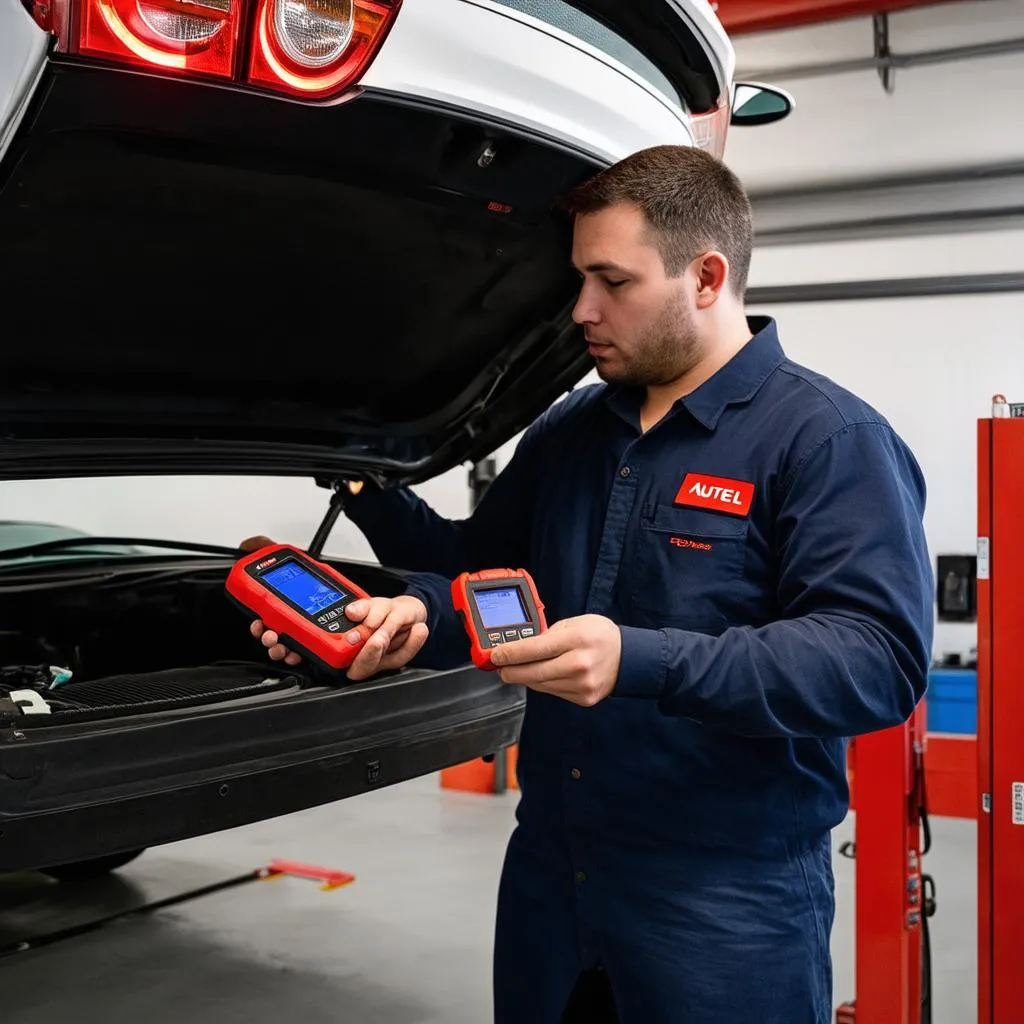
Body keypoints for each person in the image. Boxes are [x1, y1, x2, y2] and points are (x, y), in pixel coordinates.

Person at [246, 144, 934, 1023]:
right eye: (579, 279)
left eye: (611, 281)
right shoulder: (575, 429)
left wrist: (638, 658)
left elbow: (872, 661)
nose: (581, 310)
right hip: (553, 873)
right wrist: (386, 548)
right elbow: (481, 572)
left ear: (706, 277)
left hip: (725, 896)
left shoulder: (826, 439)